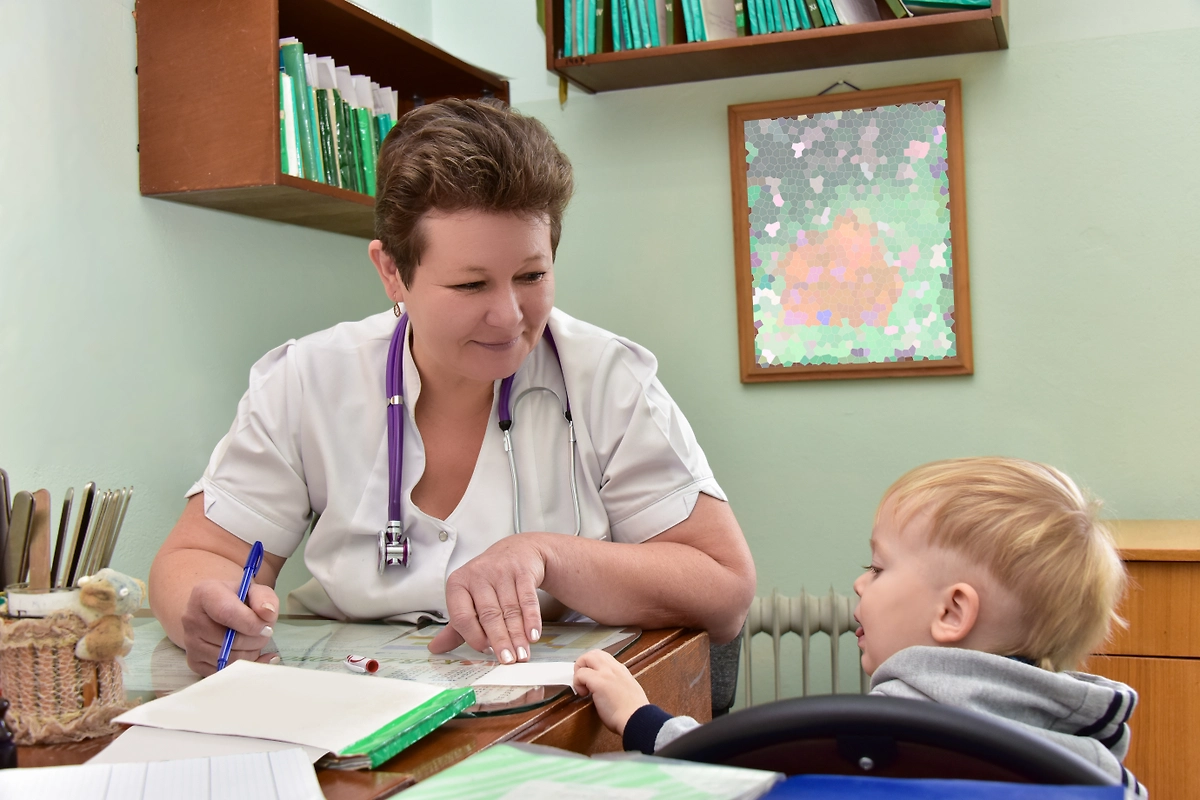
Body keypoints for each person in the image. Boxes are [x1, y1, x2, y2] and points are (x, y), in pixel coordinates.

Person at [149, 98, 756, 676]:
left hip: (556, 713)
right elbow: (196, 557)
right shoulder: (307, 379)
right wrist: (204, 611)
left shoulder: (606, 378)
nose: (509, 315)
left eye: (531, 275)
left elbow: (724, 589)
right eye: (470, 286)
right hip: (348, 702)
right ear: (393, 272)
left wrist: (547, 557)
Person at [574, 457, 1145, 796]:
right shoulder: (1095, 766)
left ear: (952, 613)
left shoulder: (892, 745)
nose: (859, 582)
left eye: (878, 566)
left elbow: (732, 769)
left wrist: (640, 719)